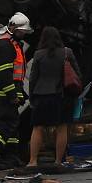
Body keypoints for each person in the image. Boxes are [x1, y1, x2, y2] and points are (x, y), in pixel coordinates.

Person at [26, 26, 82, 170]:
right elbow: (77, 74)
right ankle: (58, 161)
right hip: (62, 96)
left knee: (38, 128)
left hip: (41, 96)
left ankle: (32, 161)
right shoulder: (66, 53)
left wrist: (32, 97)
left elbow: (33, 79)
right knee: (62, 127)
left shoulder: (38, 55)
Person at [0, 12, 32, 170]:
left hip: (8, 92)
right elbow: (4, 73)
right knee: (7, 124)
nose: (24, 34)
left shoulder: (13, 44)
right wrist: (12, 95)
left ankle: (10, 156)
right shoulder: (5, 45)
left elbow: (16, 73)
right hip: (2, 93)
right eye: (22, 31)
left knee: (13, 125)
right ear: (13, 28)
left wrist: (20, 92)